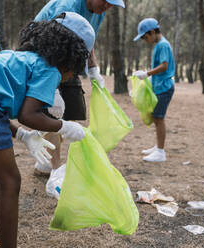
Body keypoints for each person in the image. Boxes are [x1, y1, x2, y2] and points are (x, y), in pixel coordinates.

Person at [0, 12, 94, 248]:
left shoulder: (18, 58)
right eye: (76, 70)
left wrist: (21, 135)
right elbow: (28, 115)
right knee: (10, 181)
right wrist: (64, 126)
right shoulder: (50, 70)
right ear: (70, 59)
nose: (72, 76)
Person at [34, 0, 125, 198]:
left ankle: (48, 163)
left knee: (72, 109)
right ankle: (55, 170)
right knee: (52, 111)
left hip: (68, 58)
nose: (108, 8)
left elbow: (88, 39)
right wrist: (52, 86)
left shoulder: (98, 10)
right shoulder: (67, 7)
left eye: (112, 5)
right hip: (43, 56)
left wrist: (93, 69)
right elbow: (50, 42)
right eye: (106, 2)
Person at [133, 18, 175, 162]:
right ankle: (158, 147)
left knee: (159, 118)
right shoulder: (158, 45)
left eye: (145, 37)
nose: (146, 40)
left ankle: (160, 152)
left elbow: (164, 66)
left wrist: (147, 74)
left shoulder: (163, 45)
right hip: (159, 86)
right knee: (156, 118)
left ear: (152, 32)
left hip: (164, 88)